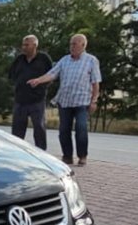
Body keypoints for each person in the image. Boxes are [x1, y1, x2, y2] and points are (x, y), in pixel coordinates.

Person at [27, 34, 101, 166]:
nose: (71, 47)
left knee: (81, 128)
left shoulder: (91, 61)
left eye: (74, 44)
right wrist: (38, 80)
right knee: (63, 131)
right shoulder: (65, 60)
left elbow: (95, 83)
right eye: (71, 44)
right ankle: (67, 156)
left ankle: (82, 156)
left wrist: (94, 101)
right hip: (65, 101)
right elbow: (52, 73)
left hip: (82, 102)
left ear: (83, 45)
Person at [8, 35, 53, 150]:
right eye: (23, 44)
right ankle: (16, 152)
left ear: (35, 45)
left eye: (27, 45)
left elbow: (51, 75)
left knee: (39, 128)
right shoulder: (19, 59)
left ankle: (41, 152)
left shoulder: (44, 59)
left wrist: (41, 86)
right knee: (17, 129)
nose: (24, 47)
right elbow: (11, 75)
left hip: (37, 100)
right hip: (20, 100)